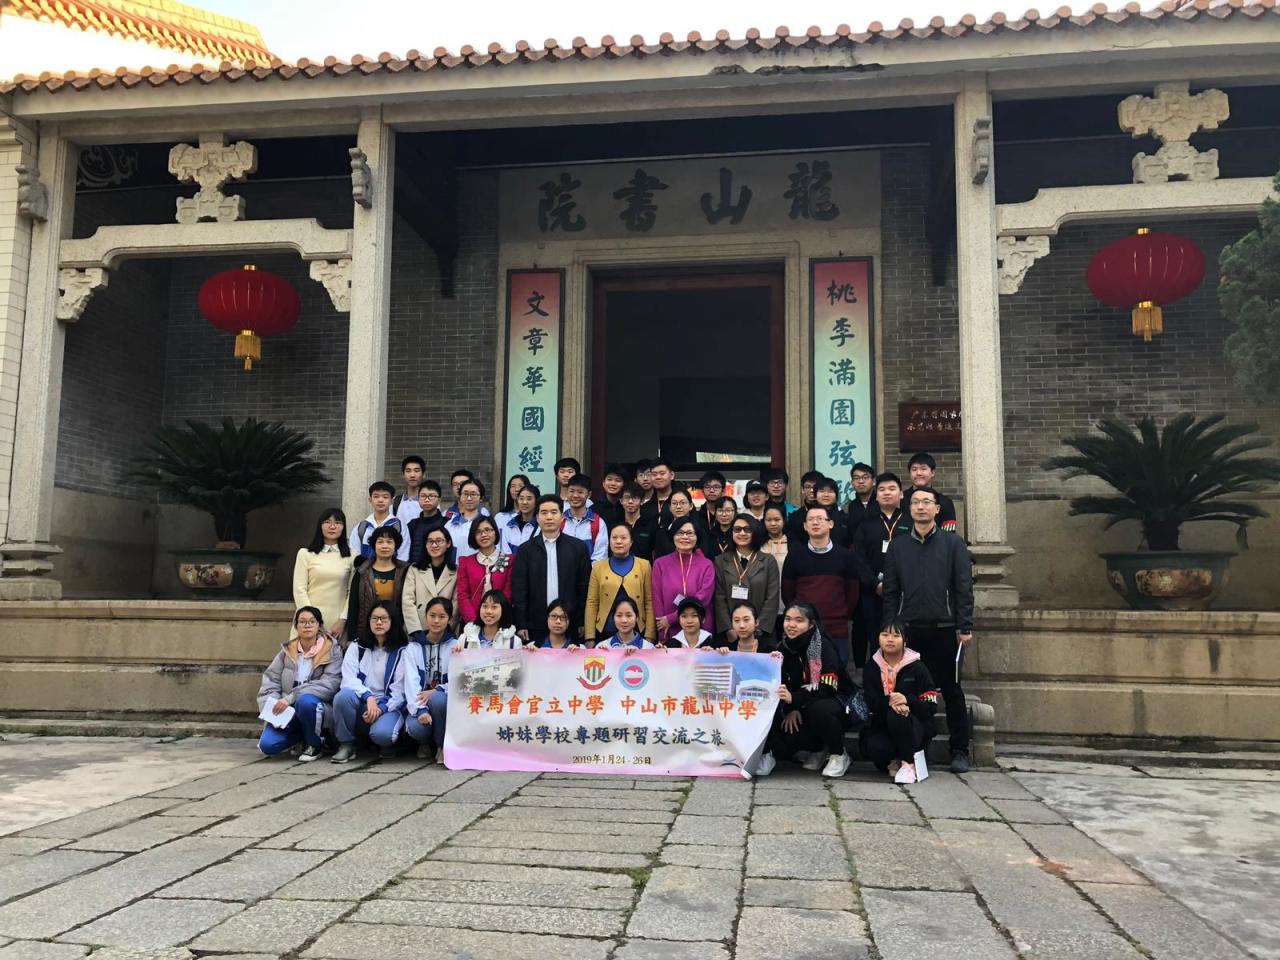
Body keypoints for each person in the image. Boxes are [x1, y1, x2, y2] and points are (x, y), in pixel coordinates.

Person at [882, 485, 975, 773]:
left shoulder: (953, 544)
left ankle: (959, 750)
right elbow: (891, 591)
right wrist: (891, 628)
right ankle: (911, 749)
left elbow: (963, 588)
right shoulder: (898, 546)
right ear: (908, 508)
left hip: (945, 628)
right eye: (915, 502)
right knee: (906, 690)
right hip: (908, 630)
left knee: (951, 689)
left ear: (937, 509)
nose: (921, 507)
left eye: (926, 502)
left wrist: (964, 626)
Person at [756, 602, 852, 779]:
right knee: (785, 738)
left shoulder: (823, 646)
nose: (791, 625)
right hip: (801, 704)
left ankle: (838, 753)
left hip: (835, 703)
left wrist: (795, 699)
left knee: (821, 710)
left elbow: (828, 687)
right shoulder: (782, 648)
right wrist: (791, 708)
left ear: (811, 624)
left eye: (799, 620)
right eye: (788, 619)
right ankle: (819, 749)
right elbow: (781, 685)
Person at [256, 606, 342, 761]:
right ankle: (300, 738)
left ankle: (314, 745)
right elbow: (270, 681)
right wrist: (272, 712)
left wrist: (291, 698)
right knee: (268, 746)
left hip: (316, 708)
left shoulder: (332, 650)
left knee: (305, 701)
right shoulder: (287, 651)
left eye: (312, 622)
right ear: (296, 626)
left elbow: (330, 684)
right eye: (302, 622)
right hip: (287, 710)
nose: (307, 625)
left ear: (319, 625)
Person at [780, 505, 860, 669]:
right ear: (805, 526)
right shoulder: (795, 556)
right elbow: (788, 594)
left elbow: (852, 593)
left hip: (836, 628)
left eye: (819, 519)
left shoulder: (846, 556)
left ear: (831, 524)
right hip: (803, 629)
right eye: (810, 519)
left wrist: (842, 614)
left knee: (836, 674)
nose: (815, 523)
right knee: (803, 674)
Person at [860, 620, 939, 784]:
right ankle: (895, 759)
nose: (890, 639)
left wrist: (908, 701)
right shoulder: (872, 667)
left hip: (914, 724)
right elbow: (870, 701)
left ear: (905, 641)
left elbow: (930, 704)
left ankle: (908, 763)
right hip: (883, 724)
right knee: (875, 748)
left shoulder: (917, 667)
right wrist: (890, 702)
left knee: (898, 715)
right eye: (885, 635)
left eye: (896, 635)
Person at [511, 494, 592, 644]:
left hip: (570, 622)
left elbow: (584, 588)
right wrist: (521, 623)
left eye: (554, 512)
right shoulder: (525, 550)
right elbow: (519, 590)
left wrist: (582, 620)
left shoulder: (578, 548)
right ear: (537, 517)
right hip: (535, 624)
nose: (549, 517)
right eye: (544, 512)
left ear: (562, 517)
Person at [332, 601, 407, 762]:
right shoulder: (357, 646)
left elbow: (399, 690)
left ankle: (384, 743)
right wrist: (369, 697)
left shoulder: (403, 650)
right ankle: (346, 745)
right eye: (374, 618)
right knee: (343, 697)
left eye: (383, 618)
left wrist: (380, 708)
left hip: (388, 706)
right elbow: (348, 679)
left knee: (383, 735)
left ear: (393, 621)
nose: (378, 622)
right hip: (363, 702)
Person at [851, 472, 911, 669]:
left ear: (901, 494)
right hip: (873, 593)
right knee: (876, 637)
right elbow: (859, 559)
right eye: (882, 490)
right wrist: (875, 584)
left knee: (905, 637)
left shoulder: (910, 522)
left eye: (892, 489)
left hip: (905, 593)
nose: (887, 493)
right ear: (876, 496)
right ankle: (878, 678)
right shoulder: (866, 525)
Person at [713, 514, 780, 649]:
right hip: (732, 633)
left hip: (761, 632)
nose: (742, 533)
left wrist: (759, 627)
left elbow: (772, 597)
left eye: (747, 529)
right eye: (737, 529)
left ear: (754, 532)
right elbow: (719, 597)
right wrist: (728, 627)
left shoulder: (768, 561)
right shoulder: (721, 561)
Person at [402, 596, 455, 761]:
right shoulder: (413, 647)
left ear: (449, 619)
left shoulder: (455, 646)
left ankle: (441, 746)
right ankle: (423, 743)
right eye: (432, 616)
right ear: (425, 616)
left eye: (442, 616)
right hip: (420, 701)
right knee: (416, 727)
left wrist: (437, 689)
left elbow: (458, 680)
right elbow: (410, 683)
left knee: (439, 700)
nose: (436, 621)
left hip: (444, 702)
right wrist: (421, 710)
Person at [584, 523, 656, 644]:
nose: (618, 541)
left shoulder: (644, 566)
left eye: (623, 538)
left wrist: (650, 635)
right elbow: (592, 602)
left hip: (637, 628)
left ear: (631, 541)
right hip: (605, 630)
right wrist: (589, 637)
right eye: (614, 537)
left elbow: (649, 602)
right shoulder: (598, 567)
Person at [292, 508, 354, 642]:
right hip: (307, 622)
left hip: (337, 624)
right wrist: (311, 620)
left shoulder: (352, 555)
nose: (332, 526)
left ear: (343, 527)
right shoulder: (305, 554)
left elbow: (352, 592)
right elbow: (299, 590)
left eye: (338, 523)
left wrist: (343, 619)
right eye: (327, 522)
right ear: (320, 525)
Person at [652, 517, 716, 642]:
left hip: (699, 629)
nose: (685, 537)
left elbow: (704, 598)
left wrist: (672, 618)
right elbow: (657, 599)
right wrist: (662, 630)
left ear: (697, 537)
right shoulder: (660, 564)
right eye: (680, 533)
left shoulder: (706, 565)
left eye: (690, 533)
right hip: (668, 628)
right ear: (673, 536)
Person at [345, 526, 409, 644]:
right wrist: (352, 637)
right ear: (374, 545)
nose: (385, 546)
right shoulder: (362, 571)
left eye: (389, 542)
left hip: (397, 631)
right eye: (380, 542)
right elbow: (353, 606)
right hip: (366, 631)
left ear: (396, 546)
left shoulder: (405, 571)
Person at [455, 516, 513, 625]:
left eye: (487, 530)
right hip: (472, 623)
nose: (484, 535)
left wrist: (496, 618)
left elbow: (508, 593)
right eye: (478, 532)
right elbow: (463, 596)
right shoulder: (465, 562)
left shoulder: (509, 560)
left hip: (501, 621)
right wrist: (473, 622)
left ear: (495, 532)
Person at [403, 527, 457, 640]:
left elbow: (456, 603)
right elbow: (407, 601)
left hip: (445, 632)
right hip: (419, 629)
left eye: (439, 541)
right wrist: (415, 630)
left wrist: (448, 629)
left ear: (448, 543)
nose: (434, 545)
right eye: (430, 541)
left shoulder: (456, 571)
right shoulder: (414, 569)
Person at [350, 481, 407, 562]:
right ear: (370, 500)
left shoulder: (399, 526)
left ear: (392, 501)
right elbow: (354, 555)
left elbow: (403, 556)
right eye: (376, 496)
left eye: (385, 497)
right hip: (365, 570)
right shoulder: (361, 527)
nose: (380, 500)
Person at [562, 473, 609, 561]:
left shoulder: (598, 523)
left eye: (580, 492)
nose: (575, 495)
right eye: (571, 491)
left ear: (589, 494)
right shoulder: (558, 520)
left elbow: (600, 557)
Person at [907, 452, 958, 532]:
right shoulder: (900, 500)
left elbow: (949, 535)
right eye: (914, 469)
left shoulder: (945, 502)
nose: (918, 473)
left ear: (932, 473)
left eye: (923, 469)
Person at [653, 487, 709, 559]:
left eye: (683, 503)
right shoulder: (662, 533)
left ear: (691, 506)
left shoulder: (700, 530)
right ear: (670, 507)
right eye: (674, 503)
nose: (678, 507)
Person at [445, 477, 487, 561]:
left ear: (481, 498)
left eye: (473, 494)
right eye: (465, 494)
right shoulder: (449, 525)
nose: (469, 498)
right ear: (460, 496)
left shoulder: (488, 525)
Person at [406, 481, 447, 567]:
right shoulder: (412, 524)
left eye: (431, 496)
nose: (427, 500)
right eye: (423, 496)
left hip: (439, 569)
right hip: (414, 570)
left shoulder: (447, 523)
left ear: (439, 500)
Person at [619, 482, 658, 561]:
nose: (630, 501)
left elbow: (656, 551)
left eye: (635, 498)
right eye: (627, 497)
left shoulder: (651, 523)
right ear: (621, 500)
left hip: (645, 567)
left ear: (642, 501)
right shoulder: (616, 523)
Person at [499, 483, 540, 555]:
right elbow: (505, 554)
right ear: (517, 500)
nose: (524, 502)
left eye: (529, 499)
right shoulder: (509, 526)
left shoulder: (541, 526)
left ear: (536, 501)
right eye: (521, 498)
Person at [814, 478, 852, 548]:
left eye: (830, 491)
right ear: (815, 495)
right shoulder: (809, 517)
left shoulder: (845, 517)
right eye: (822, 491)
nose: (826, 495)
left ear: (836, 496)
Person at [393, 455, 427, 525]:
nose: (412, 475)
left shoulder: (429, 502)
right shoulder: (395, 502)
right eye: (408, 471)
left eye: (416, 471)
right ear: (403, 475)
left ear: (423, 475)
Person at [645, 457, 677, 524]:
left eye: (662, 473)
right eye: (654, 474)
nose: (658, 477)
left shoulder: (681, 502)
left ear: (672, 475)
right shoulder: (646, 507)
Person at [597, 464, 629, 530]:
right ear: (603, 483)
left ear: (624, 484)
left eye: (618, 480)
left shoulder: (628, 507)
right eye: (609, 479)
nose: (613, 483)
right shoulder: (595, 509)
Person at [845, 462, 877, 529]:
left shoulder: (882, 503)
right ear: (852, 483)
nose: (861, 481)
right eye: (856, 478)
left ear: (874, 481)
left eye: (865, 477)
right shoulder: (850, 507)